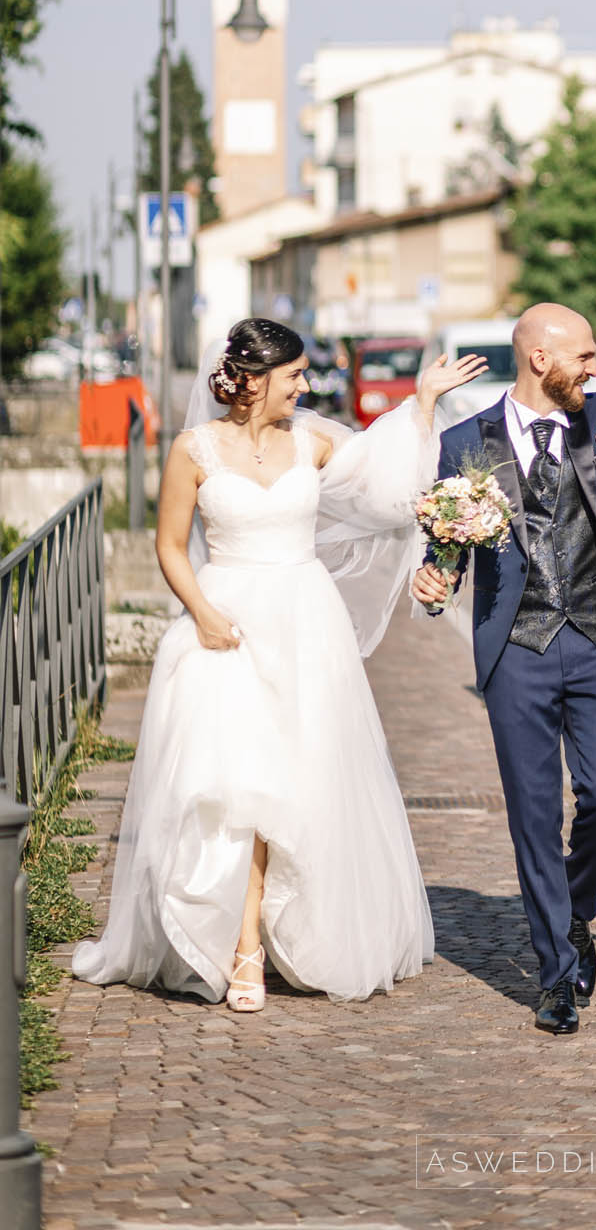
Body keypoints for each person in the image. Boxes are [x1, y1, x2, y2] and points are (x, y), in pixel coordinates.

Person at [72, 317, 488, 1011]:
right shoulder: (193, 449)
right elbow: (170, 545)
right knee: (234, 784)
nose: (304, 385)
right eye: (293, 375)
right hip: (226, 625)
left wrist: (421, 402)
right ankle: (243, 947)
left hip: (305, 625)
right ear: (253, 380)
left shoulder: (314, 441)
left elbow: (387, 488)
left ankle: (283, 933)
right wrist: (203, 612)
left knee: (297, 780)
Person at [410, 301, 596, 1037]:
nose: (594, 368)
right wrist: (434, 578)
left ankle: (575, 906)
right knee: (533, 815)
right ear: (540, 359)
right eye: (584, 356)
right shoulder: (465, 443)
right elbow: (448, 541)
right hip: (517, 648)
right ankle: (555, 974)